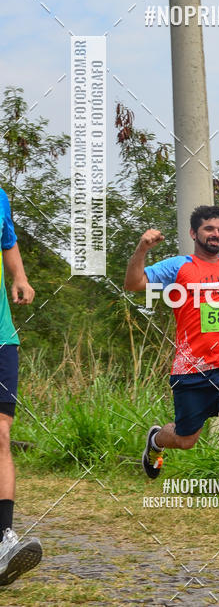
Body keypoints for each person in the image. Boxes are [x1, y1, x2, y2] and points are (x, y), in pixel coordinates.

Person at [124, 203, 219, 529]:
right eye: (210, 229)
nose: (216, 235)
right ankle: (155, 440)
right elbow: (134, 283)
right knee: (186, 439)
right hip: (191, 369)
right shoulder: (178, 267)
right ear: (194, 233)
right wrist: (142, 248)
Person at [0, 188, 42, 586]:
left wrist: (20, 276)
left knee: (0, 434)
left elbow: (7, 241)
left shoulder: (0, 197)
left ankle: (3, 539)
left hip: (1, 337)